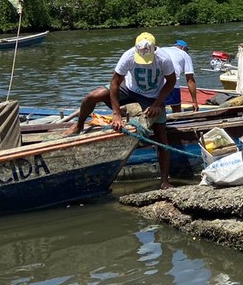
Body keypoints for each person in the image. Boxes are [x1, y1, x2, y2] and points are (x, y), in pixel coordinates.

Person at [67, 32, 177, 189]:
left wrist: (158, 104)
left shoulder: (164, 58)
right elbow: (114, 83)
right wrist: (116, 114)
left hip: (152, 97)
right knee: (92, 96)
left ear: (154, 49)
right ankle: (79, 125)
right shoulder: (128, 56)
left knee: (161, 136)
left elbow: (171, 82)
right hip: (130, 90)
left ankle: (165, 180)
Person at [158, 39, 199, 113]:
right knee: (176, 109)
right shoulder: (184, 54)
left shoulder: (161, 49)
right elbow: (190, 80)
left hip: (155, 84)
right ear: (183, 48)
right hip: (171, 85)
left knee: (158, 107)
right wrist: (194, 102)